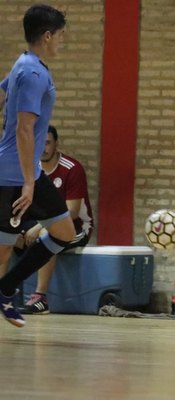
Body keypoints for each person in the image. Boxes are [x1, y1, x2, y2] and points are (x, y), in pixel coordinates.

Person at [0, 5, 75, 327]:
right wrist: (29, 182)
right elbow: (23, 128)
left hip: (24, 170)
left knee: (64, 232)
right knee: (3, 249)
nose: (62, 41)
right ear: (47, 35)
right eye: (60, 35)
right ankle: (6, 290)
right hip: (16, 176)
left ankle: (6, 287)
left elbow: (1, 95)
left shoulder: (26, 63)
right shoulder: (32, 73)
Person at [9, 125, 93, 314]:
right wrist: (18, 229)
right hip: (40, 223)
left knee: (50, 235)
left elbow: (71, 212)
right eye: (40, 143)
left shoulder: (72, 169)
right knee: (7, 235)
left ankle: (40, 298)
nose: (44, 148)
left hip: (77, 228)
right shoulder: (30, 170)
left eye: (48, 143)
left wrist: (39, 228)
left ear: (57, 144)